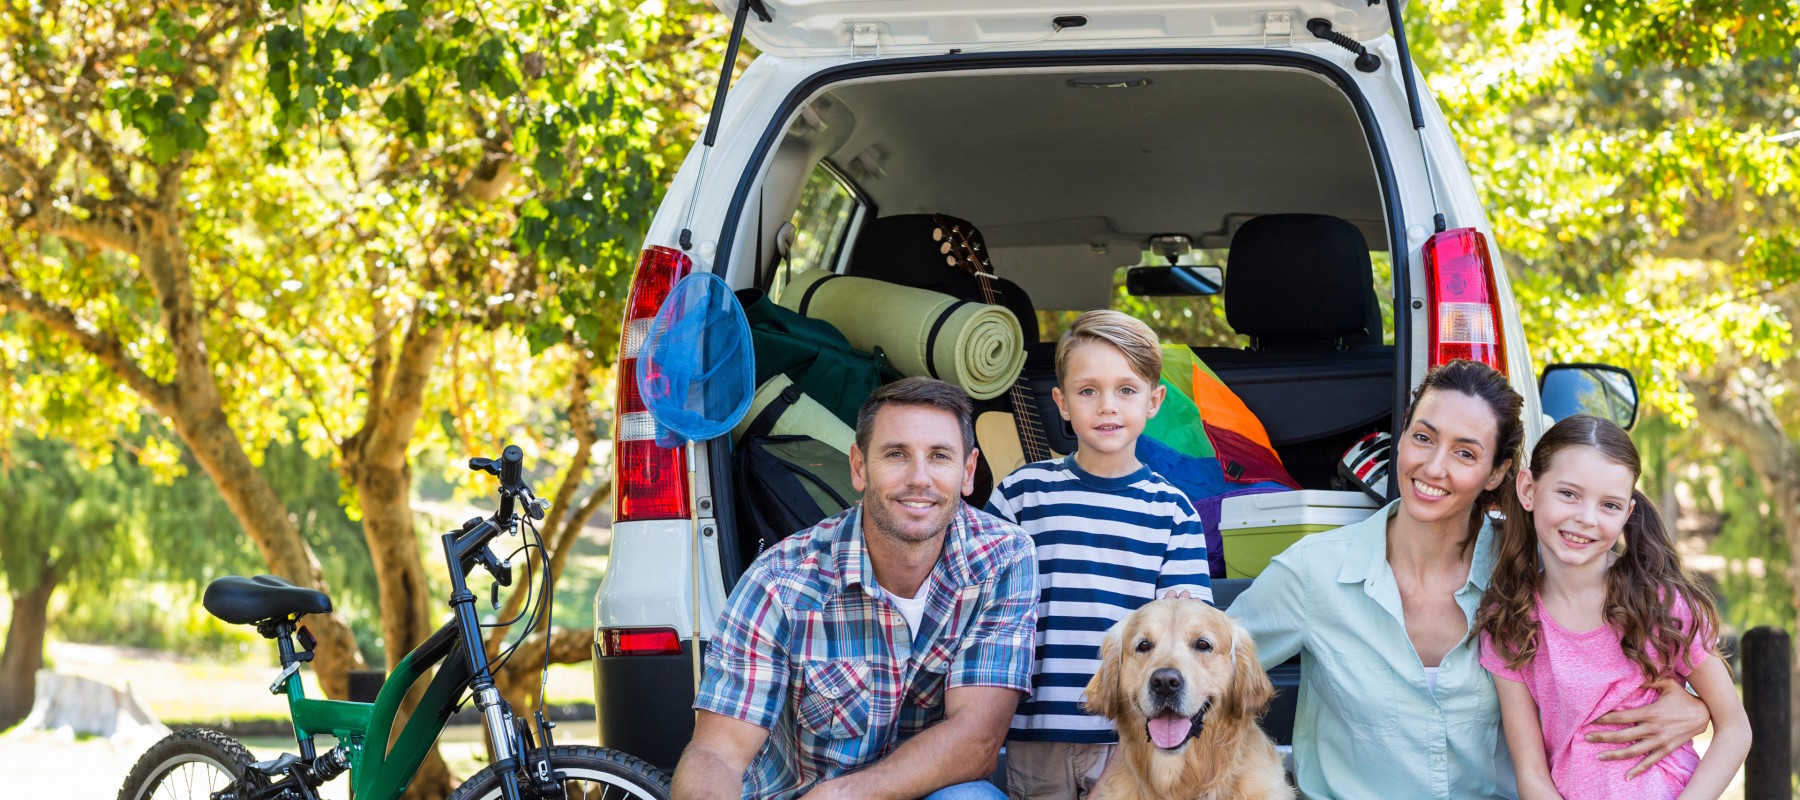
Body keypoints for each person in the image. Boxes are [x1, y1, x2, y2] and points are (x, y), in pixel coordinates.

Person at [1226, 359, 1710, 799]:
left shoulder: (1538, 573)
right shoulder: (1312, 572)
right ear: (1401, 437)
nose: (1434, 467)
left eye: (1465, 453)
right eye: (1423, 438)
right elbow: (1202, 677)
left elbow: (1621, 670)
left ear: (1498, 474)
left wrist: (1698, 707)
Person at [672, 377, 1038, 800]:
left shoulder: (1002, 559)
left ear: (968, 471)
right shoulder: (780, 580)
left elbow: (976, 740)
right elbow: (717, 753)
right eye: (896, 454)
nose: (919, 478)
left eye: (939, 456)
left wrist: (839, 796)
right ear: (859, 467)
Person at [983, 310, 1212, 799]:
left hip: (1132, 737)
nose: (1107, 406)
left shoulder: (1173, 511)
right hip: (1036, 731)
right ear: (1062, 403)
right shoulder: (1021, 495)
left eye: (1126, 390)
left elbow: (1185, 634)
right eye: (1088, 391)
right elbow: (982, 612)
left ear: (1154, 401)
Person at [1477, 415, 1750, 799]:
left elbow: (1735, 728)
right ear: (1528, 489)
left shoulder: (1658, 603)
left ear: (1627, 514)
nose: (1586, 518)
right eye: (1568, 494)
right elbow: (1531, 774)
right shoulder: (1511, 623)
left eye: (1609, 505)